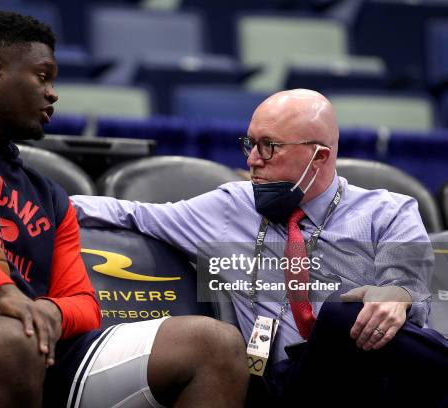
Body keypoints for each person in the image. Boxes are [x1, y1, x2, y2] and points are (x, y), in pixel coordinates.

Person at [0, 11, 250, 408]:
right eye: (42, 76)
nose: (53, 93)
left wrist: (50, 311)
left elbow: (83, 303)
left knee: (215, 345)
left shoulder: (50, 195)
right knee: (11, 342)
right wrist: (4, 293)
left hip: (26, 350)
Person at [72, 89, 448, 406]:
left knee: (346, 316)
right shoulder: (229, 207)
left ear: (318, 156)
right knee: (339, 315)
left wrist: (393, 296)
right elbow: (133, 215)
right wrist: (43, 205)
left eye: (269, 147)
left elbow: (408, 283)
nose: (252, 160)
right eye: (250, 144)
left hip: (370, 379)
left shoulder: (388, 210)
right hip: (280, 385)